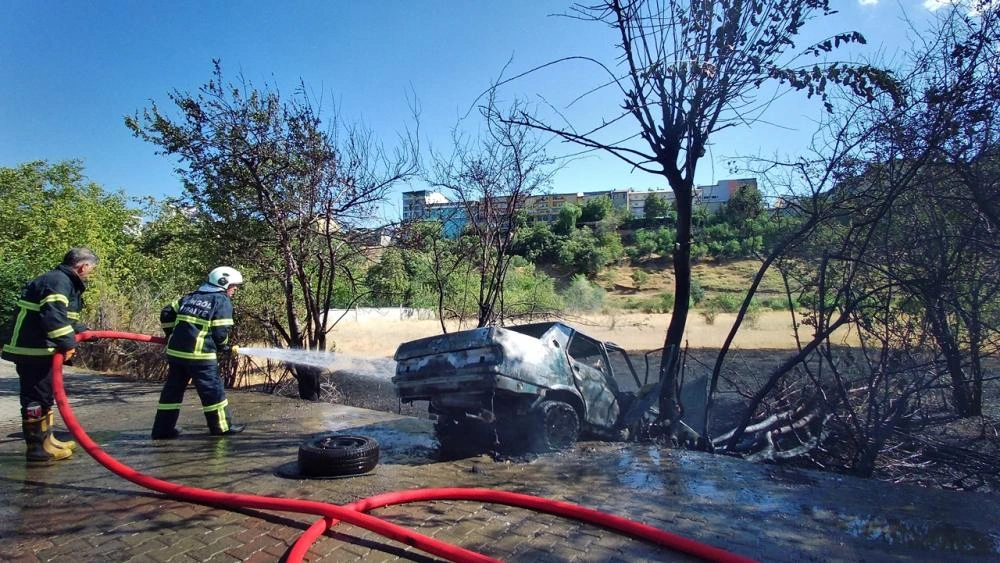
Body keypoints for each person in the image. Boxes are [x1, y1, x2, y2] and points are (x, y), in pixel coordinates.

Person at [2, 248, 99, 462]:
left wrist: (83, 331)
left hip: (40, 349)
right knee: (35, 398)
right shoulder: (58, 282)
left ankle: (48, 441)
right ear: (83, 266)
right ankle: (37, 449)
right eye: (91, 269)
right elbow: (52, 318)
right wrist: (68, 343)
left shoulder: (61, 280)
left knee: (45, 396)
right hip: (32, 350)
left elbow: (64, 317)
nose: (90, 273)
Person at [151, 266, 247, 439]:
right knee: (213, 392)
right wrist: (223, 346)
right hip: (200, 356)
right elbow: (220, 332)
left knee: (172, 392)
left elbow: (166, 312)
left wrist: (170, 333)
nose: (235, 289)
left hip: (176, 354)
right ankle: (221, 427)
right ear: (223, 283)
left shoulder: (191, 297)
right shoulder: (221, 300)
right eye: (233, 285)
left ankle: (162, 430)